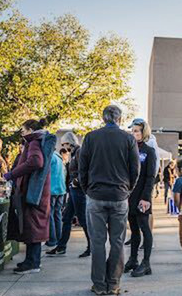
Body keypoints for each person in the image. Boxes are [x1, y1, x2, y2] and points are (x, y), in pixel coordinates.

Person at [79, 105, 140, 295]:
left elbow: (82, 168)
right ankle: (113, 284)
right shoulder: (128, 138)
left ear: (104, 118)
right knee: (117, 242)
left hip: (96, 195)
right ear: (120, 119)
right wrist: (127, 189)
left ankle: (99, 285)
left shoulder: (91, 137)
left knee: (97, 242)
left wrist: (87, 189)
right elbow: (135, 169)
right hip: (119, 195)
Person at [4, 119, 56, 275]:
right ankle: (31, 260)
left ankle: (33, 263)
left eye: (23, 129)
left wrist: (12, 174)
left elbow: (35, 161)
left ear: (31, 129)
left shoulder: (33, 142)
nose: (22, 133)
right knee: (33, 227)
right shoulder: (39, 141)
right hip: (37, 191)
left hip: (33, 192)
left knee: (32, 227)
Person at [47, 132, 91, 258]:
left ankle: (91, 246)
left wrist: (76, 182)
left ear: (69, 143)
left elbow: (84, 170)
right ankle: (61, 247)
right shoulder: (75, 152)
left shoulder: (79, 152)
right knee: (66, 218)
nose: (63, 147)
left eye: (64, 144)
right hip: (74, 190)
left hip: (78, 190)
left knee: (82, 219)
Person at [124, 119, 157, 278]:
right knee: (134, 230)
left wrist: (146, 198)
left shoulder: (149, 151)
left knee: (144, 227)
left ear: (143, 132)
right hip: (129, 196)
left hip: (142, 196)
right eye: (133, 131)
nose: (134, 133)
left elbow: (151, 176)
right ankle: (133, 259)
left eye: (137, 131)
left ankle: (146, 263)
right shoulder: (128, 149)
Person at [46, 149, 66, 248]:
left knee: (50, 214)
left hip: (52, 189)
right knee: (57, 214)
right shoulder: (58, 156)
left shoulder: (49, 157)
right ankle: (59, 238)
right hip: (61, 189)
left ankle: (52, 240)